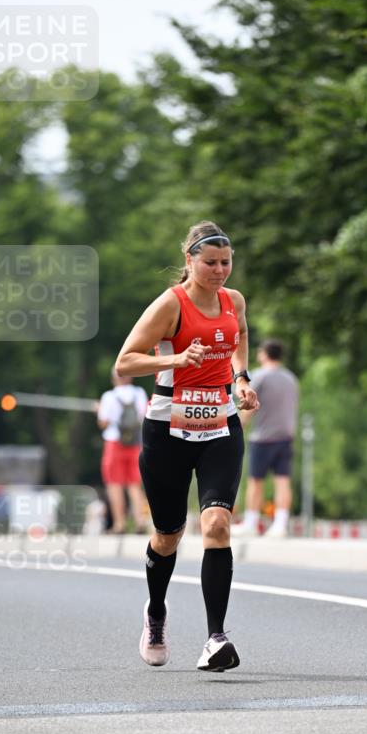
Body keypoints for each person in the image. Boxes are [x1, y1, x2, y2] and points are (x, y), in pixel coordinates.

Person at [114, 220, 259, 671]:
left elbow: (240, 337)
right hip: (168, 430)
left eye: (226, 263)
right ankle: (156, 613)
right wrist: (177, 357)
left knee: (216, 523)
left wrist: (241, 379)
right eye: (210, 262)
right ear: (189, 261)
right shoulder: (170, 305)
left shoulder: (233, 301)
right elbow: (125, 362)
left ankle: (216, 638)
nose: (219, 271)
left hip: (220, 424)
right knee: (168, 536)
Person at [236, 339, 299, 537]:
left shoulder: (259, 376)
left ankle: (251, 522)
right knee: (283, 481)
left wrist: (240, 424)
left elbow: (249, 404)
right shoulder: (291, 379)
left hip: (262, 437)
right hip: (285, 435)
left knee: (255, 482)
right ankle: (280, 524)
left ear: (264, 354)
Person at [97, 369, 149, 533]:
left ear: (114, 378)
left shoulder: (109, 396)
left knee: (114, 484)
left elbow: (103, 423)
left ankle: (120, 524)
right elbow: (144, 416)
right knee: (134, 484)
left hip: (114, 442)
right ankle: (140, 521)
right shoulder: (139, 393)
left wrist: (98, 410)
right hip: (135, 443)